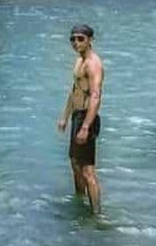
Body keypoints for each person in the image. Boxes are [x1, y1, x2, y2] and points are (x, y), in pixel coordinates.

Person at [57, 23, 105, 214]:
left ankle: (97, 214)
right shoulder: (79, 61)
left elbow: (95, 95)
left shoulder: (94, 64)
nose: (75, 42)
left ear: (90, 40)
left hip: (87, 118)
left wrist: (86, 126)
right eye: (72, 39)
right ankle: (80, 203)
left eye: (80, 38)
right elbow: (75, 91)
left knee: (87, 170)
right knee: (75, 163)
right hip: (78, 116)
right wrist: (65, 116)